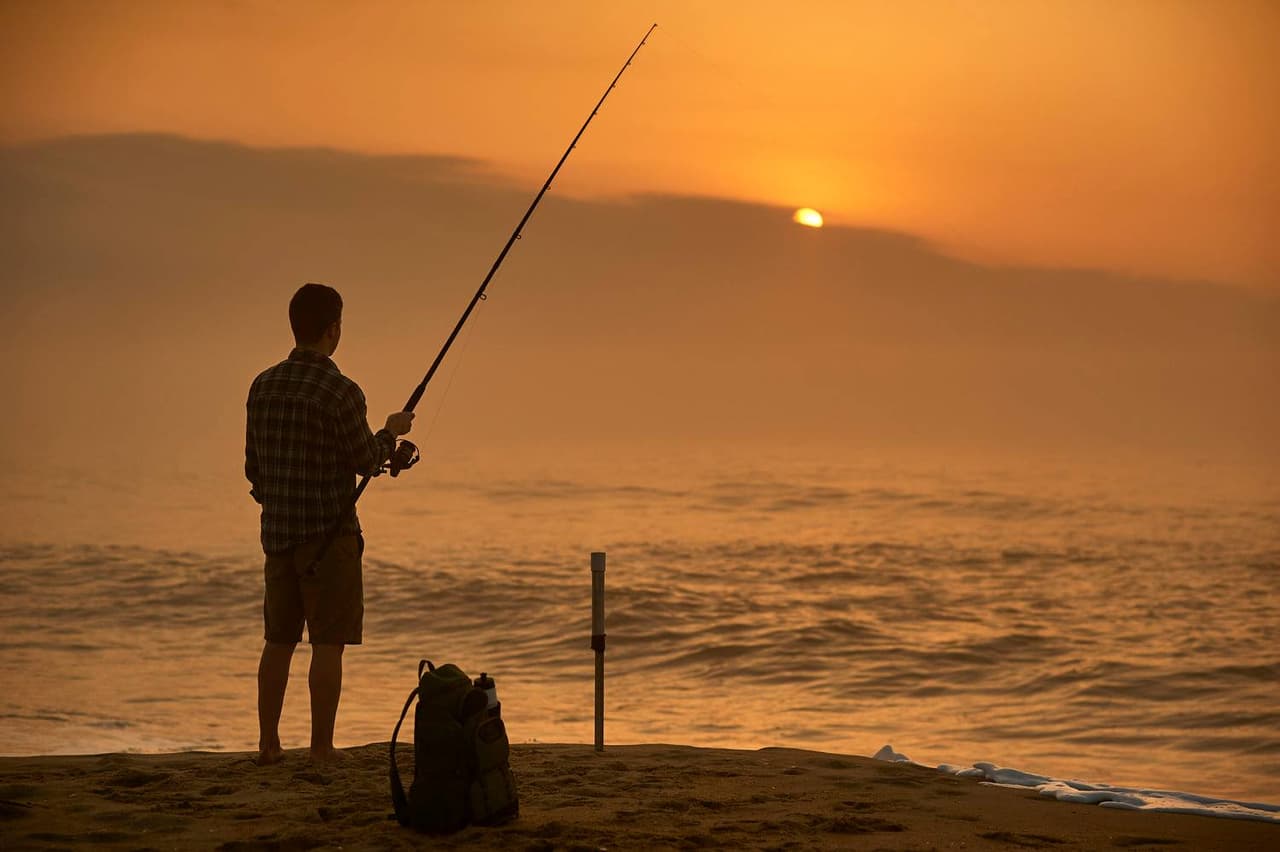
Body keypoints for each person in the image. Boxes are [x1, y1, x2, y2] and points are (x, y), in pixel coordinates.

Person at [245, 282, 414, 765]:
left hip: (278, 536)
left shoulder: (262, 386)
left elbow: (253, 468)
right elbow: (365, 459)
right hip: (329, 539)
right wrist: (391, 433)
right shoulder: (342, 392)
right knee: (327, 644)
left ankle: (268, 745)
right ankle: (321, 747)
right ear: (333, 328)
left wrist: (277, 503)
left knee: (278, 642)